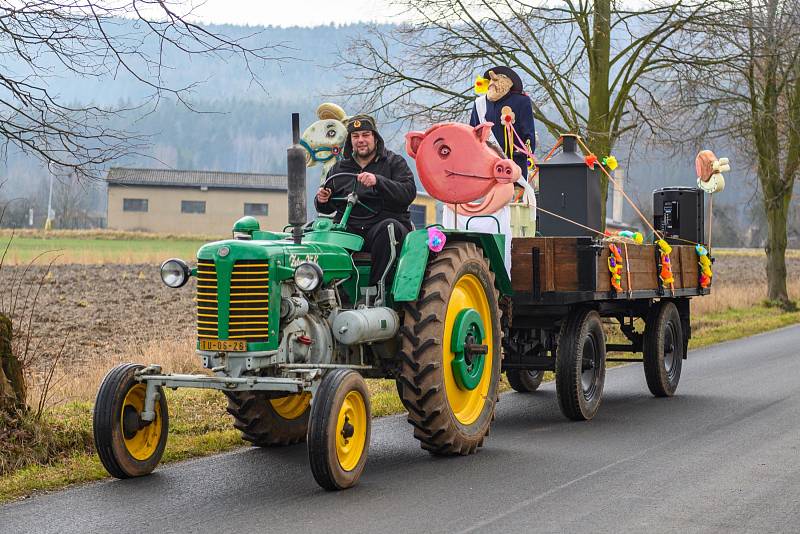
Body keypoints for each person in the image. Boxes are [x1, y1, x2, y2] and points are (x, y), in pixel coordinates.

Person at [315, 114, 416, 288]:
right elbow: (326, 207)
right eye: (355, 136)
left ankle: (377, 290)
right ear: (350, 141)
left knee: (388, 228)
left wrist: (379, 181)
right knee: (321, 232)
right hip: (351, 228)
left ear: (375, 138)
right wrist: (322, 199)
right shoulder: (339, 168)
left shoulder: (393, 163)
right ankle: (330, 291)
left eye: (365, 135)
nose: (360, 140)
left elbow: (408, 193)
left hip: (381, 226)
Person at [470, 66, 536, 180]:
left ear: (508, 83)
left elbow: (528, 132)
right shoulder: (479, 104)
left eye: (497, 79)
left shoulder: (521, 101)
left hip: (515, 163)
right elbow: (473, 133)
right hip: (487, 165)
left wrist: (524, 154)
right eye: (491, 80)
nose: (492, 82)